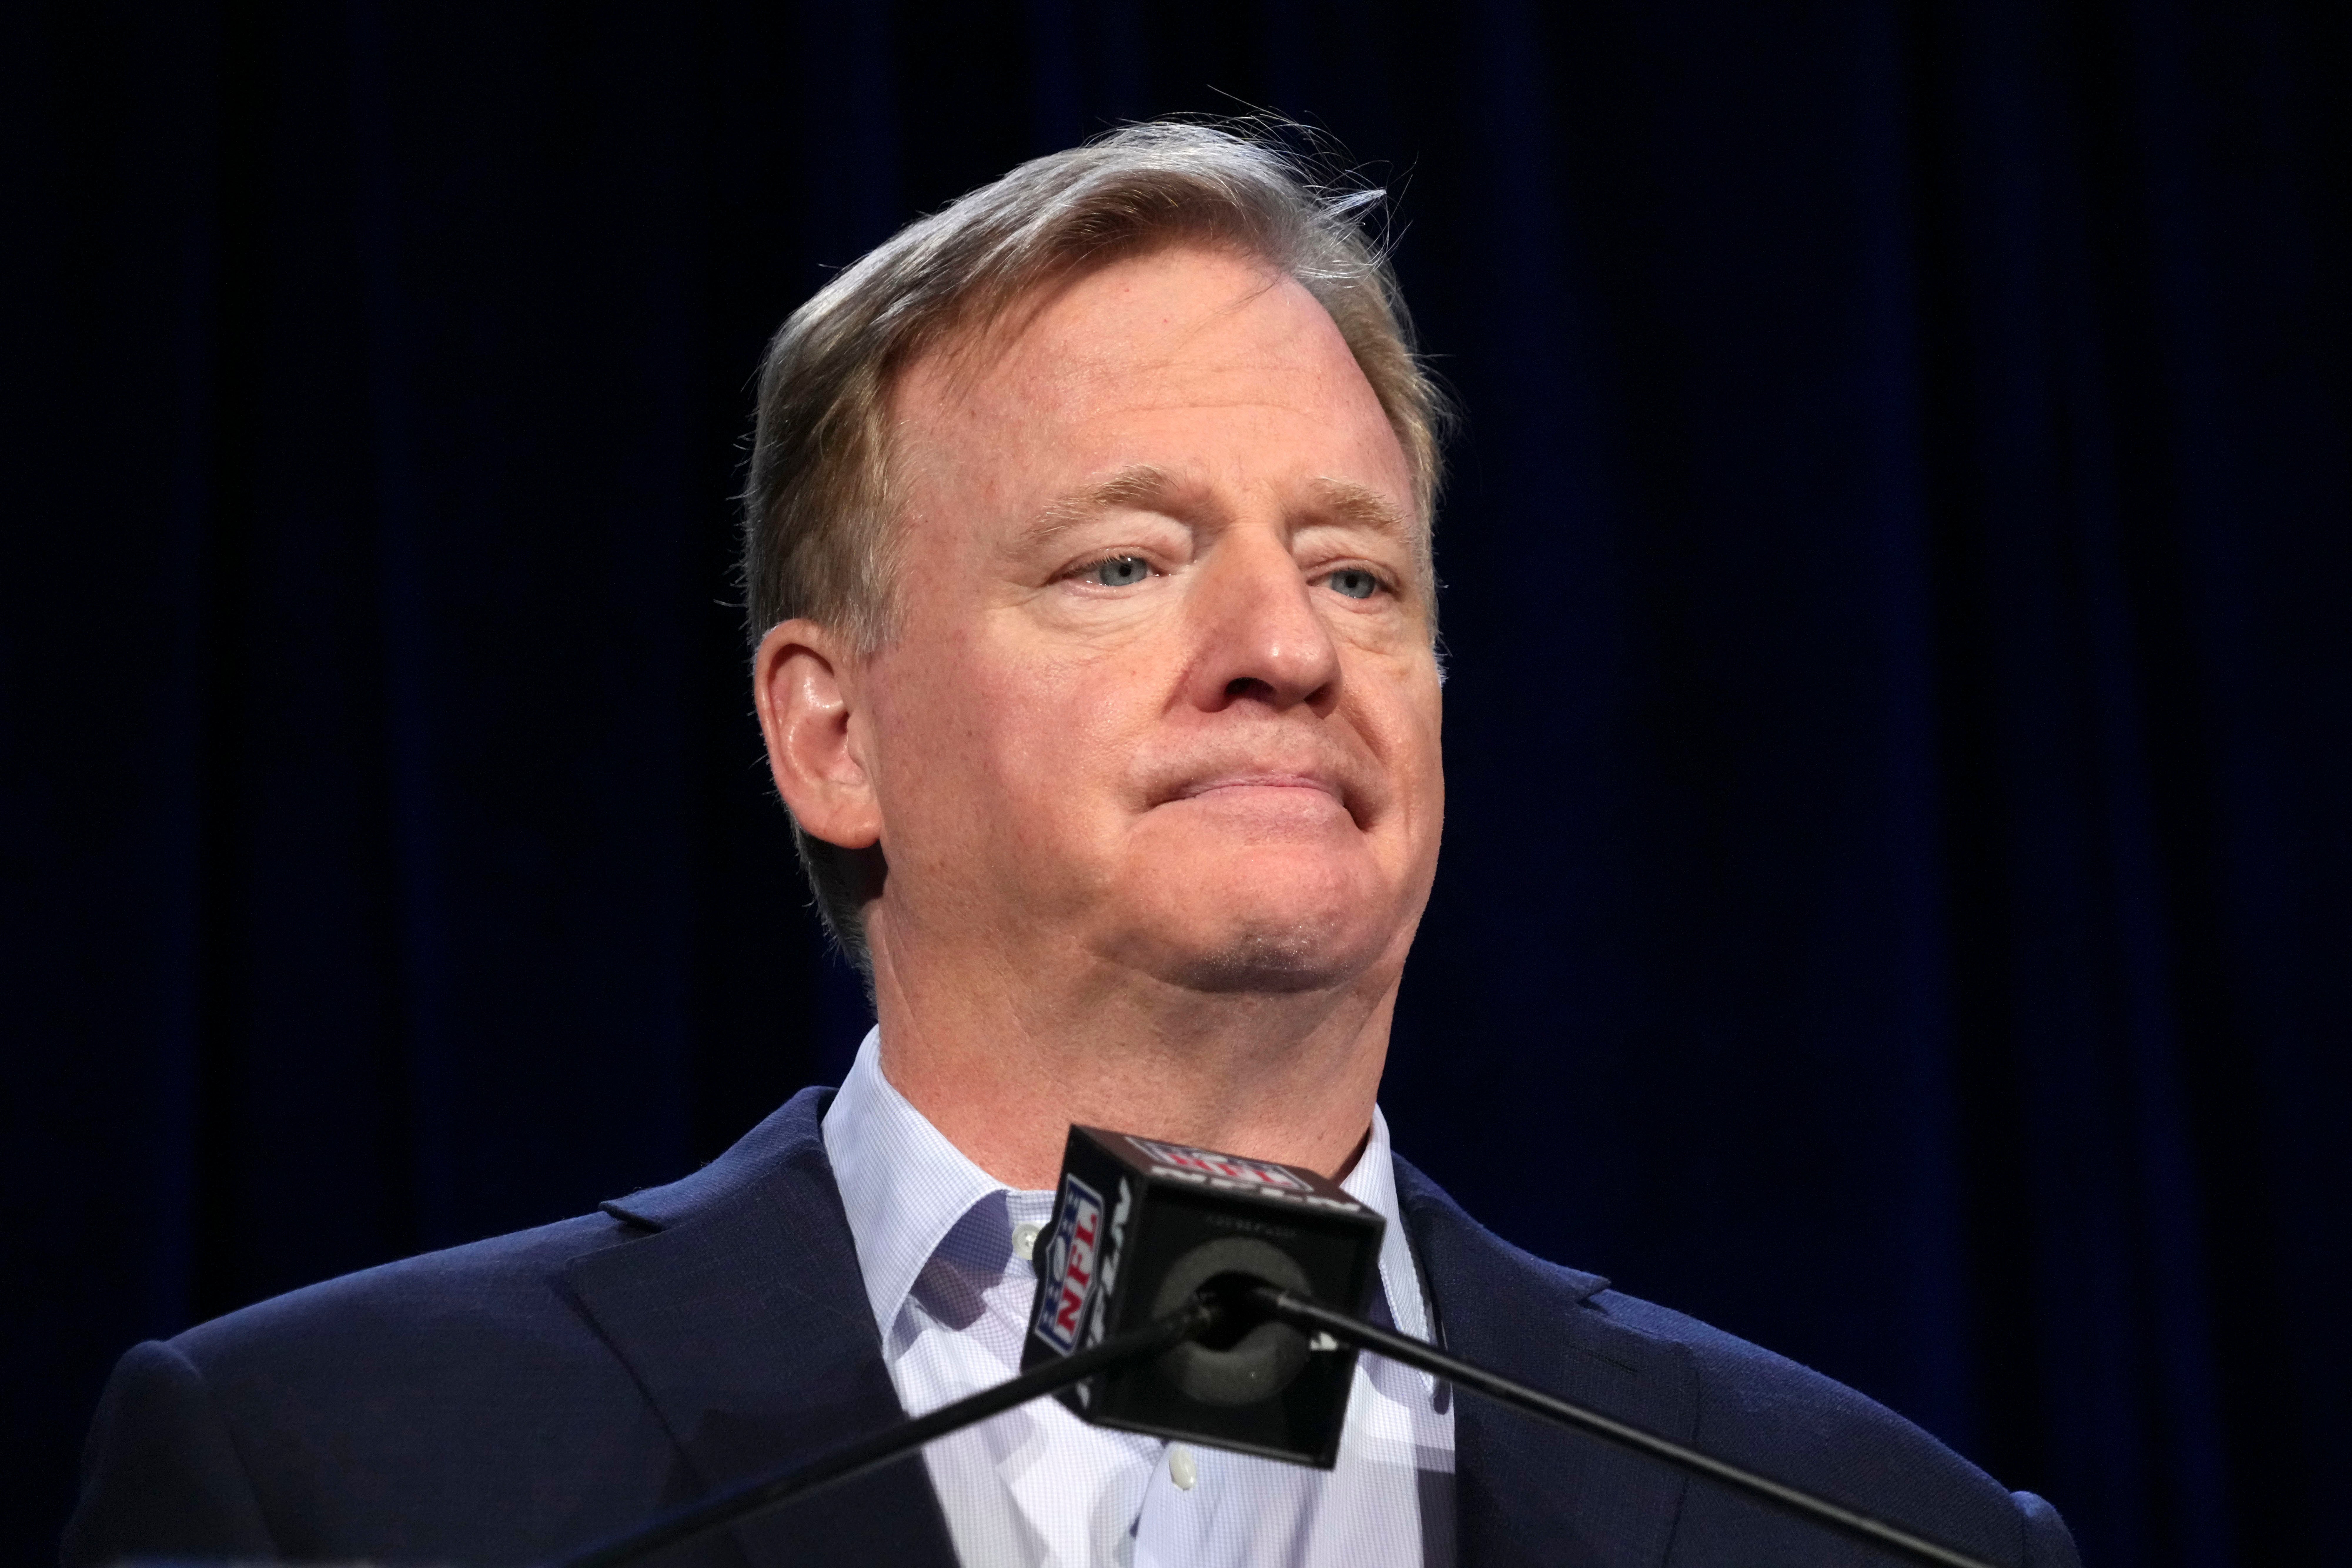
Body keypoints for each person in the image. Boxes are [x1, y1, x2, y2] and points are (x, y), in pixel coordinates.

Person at [64, 123, 2080, 1568]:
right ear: (830, 733)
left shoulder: (1864, 1530)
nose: (1286, 649)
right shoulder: (340, 1480)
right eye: (1125, 560)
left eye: (1360, 574)